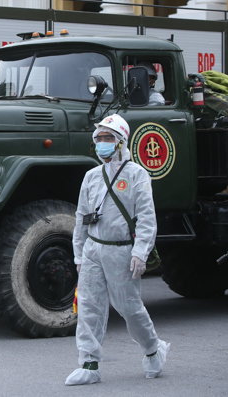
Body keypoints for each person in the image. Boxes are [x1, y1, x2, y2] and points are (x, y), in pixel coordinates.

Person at [65, 114, 169, 386]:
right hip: (93, 250)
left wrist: (140, 253)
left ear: (121, 142)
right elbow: (82, 217)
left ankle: (154, 350)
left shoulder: (137, 175)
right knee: (89, 306)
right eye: (98, 138)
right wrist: (78, 254)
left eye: (108, 138)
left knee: (129, 307)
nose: (102, 143)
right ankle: (89, 364)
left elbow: (146, 217)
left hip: (121, 251)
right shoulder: (91, 177)